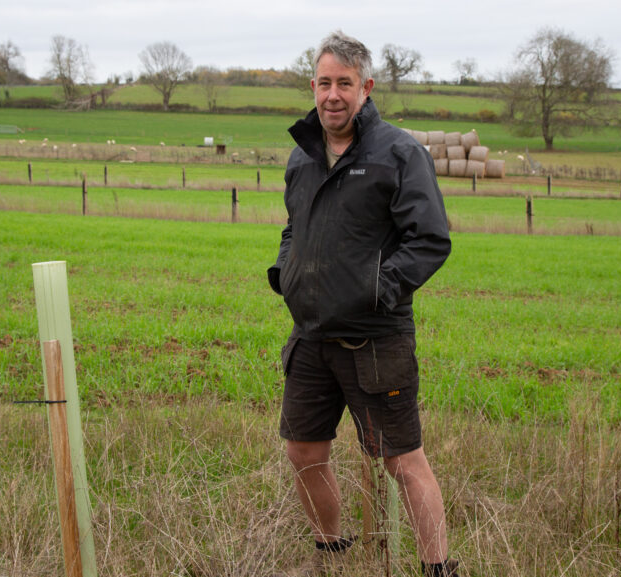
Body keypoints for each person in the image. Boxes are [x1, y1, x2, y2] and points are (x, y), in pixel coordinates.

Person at [267, 30, 457, 577]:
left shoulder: (397, 153)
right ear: (313, 86)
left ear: (366, 89)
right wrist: (288, 271)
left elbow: (430, 239)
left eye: (344, 84)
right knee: (303, 451)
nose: (332, 95)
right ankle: (332, 552)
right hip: (311, 336)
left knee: (402, 460)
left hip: (375, 338)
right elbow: (292, 227)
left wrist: (378, 289)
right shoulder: (302, 158)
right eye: (324, 83)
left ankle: (437, 567)